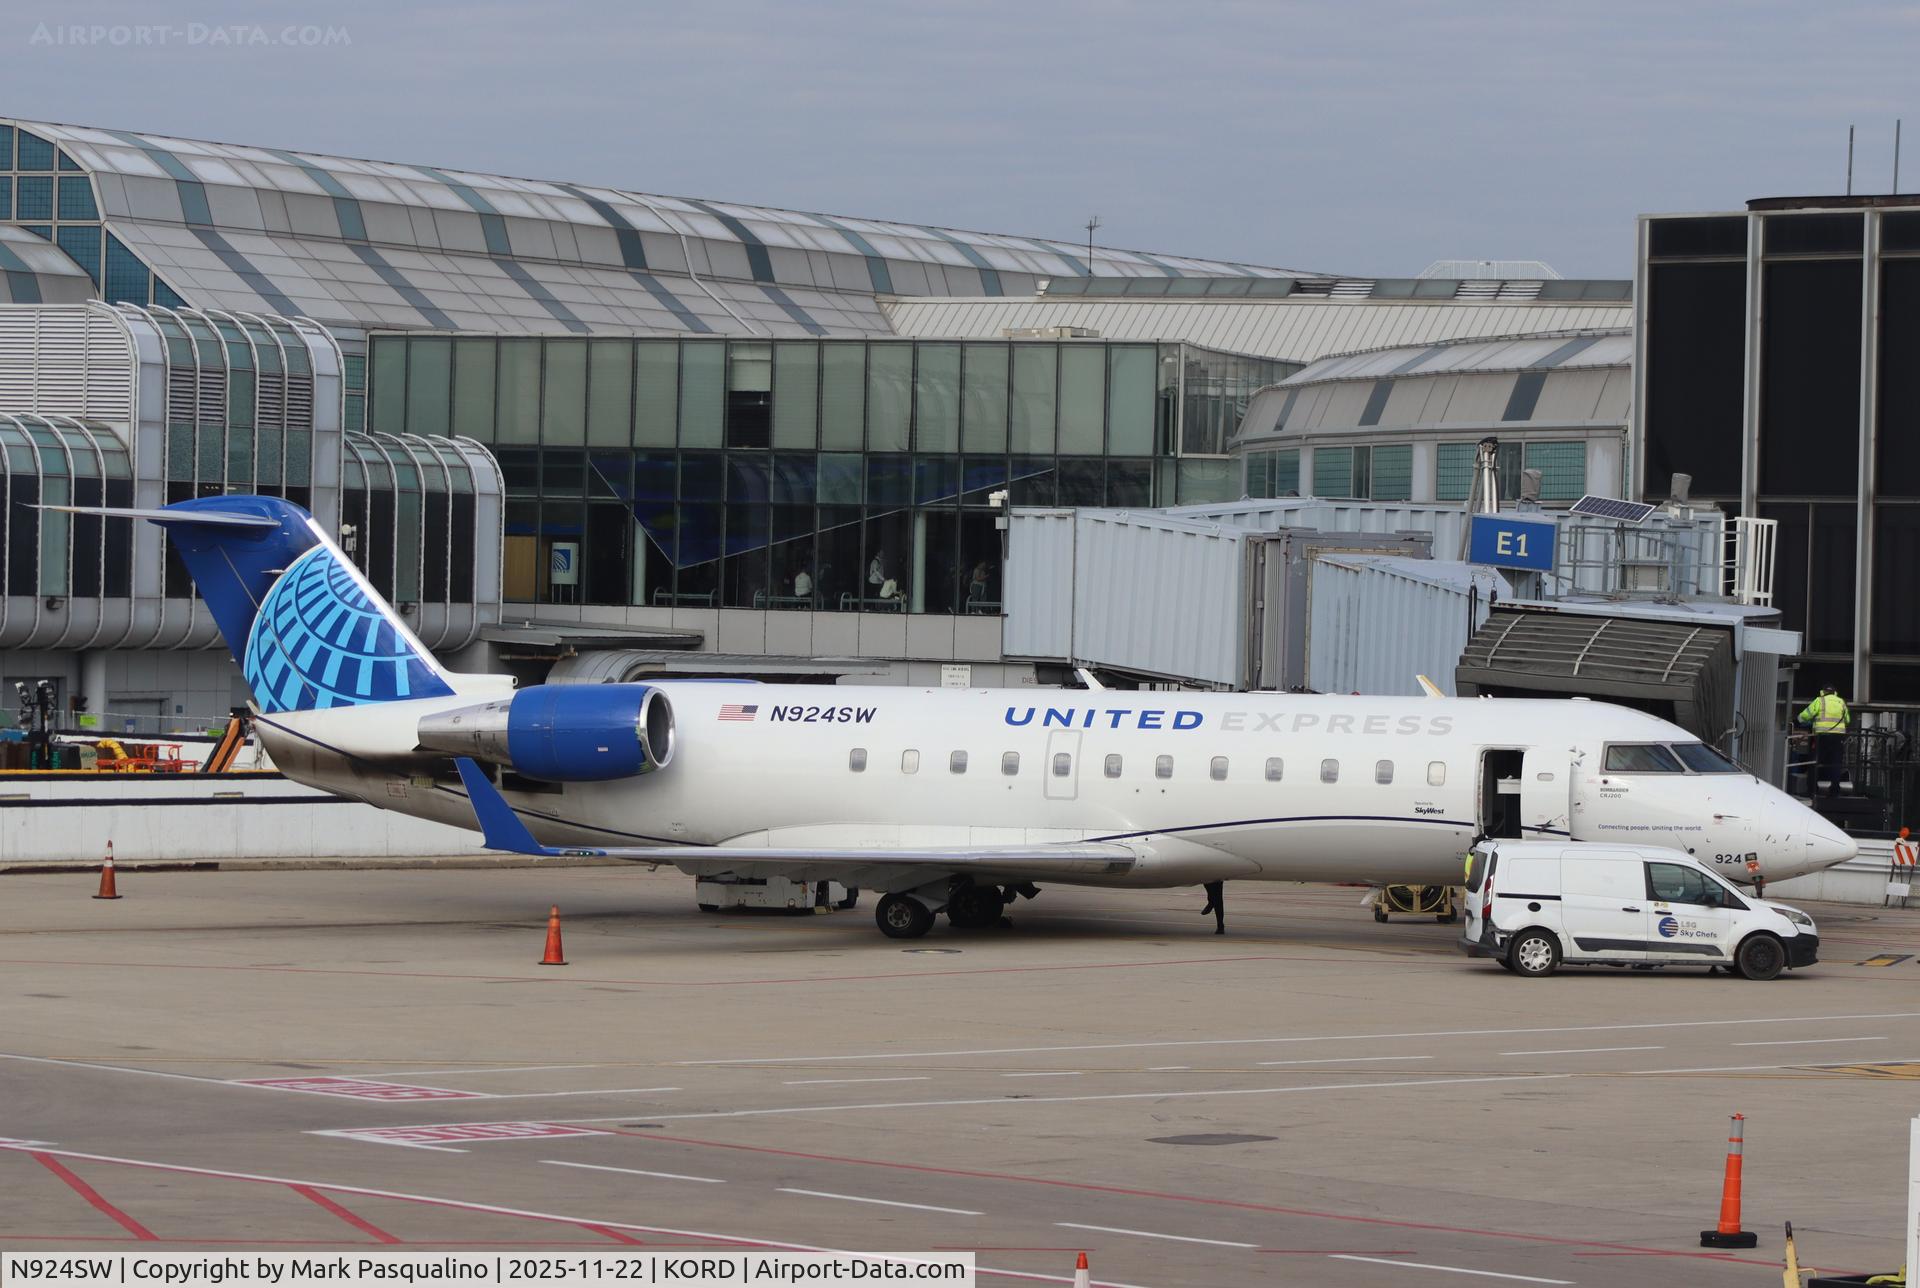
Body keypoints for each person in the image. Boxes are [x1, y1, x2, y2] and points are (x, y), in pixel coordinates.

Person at [1797, 685, 1851, 798]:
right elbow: (1848, 719)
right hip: (1838, 737)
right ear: (1835, 692)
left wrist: (1797, 720)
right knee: (1835, 764)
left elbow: (1806, 715)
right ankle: (1835, 791)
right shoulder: (1841, 702)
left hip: (1821, 737)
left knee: (1814, 762)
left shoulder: (1819, 700)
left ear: (1823, 692)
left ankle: (1812, 790)